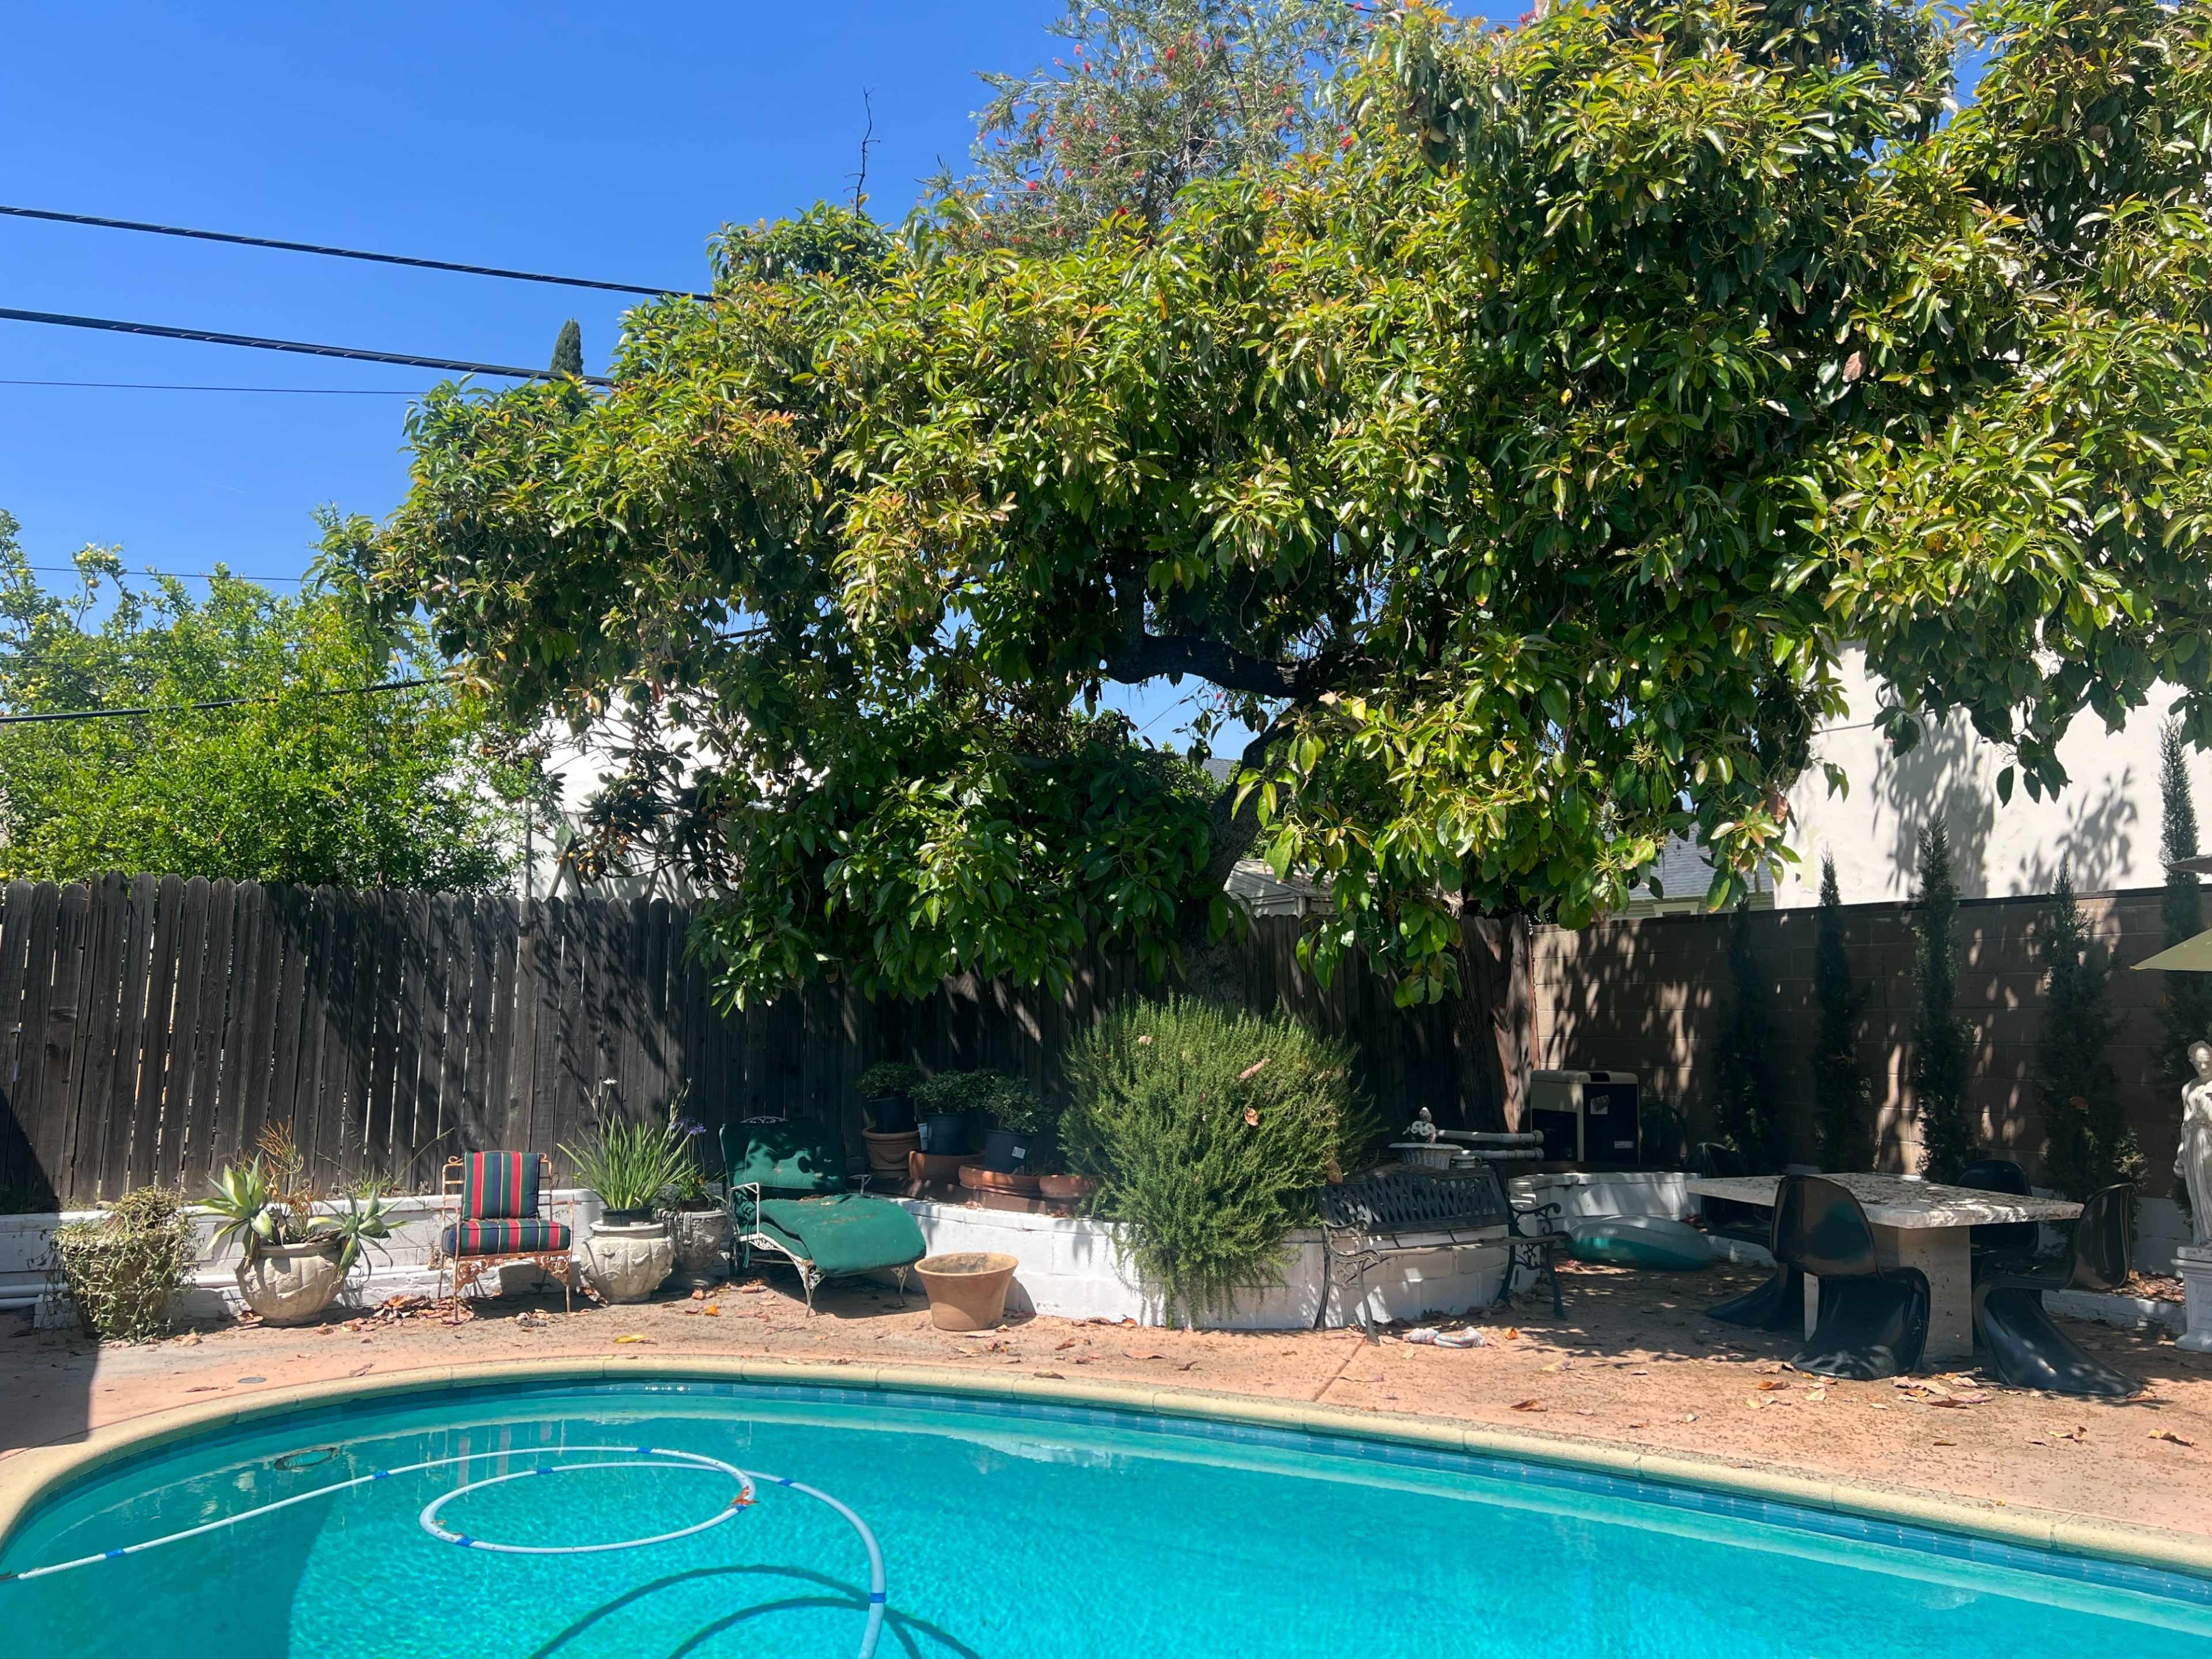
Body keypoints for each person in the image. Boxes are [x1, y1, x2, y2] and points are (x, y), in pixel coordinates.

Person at [2179, 1040, 2212, 1246]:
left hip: (2210, 1142)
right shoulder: (2189, 1088)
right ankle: (2203, 1237)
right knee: (2197, 1193)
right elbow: (2185, 1121)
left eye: (2207, 1062)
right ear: (2191, 1062)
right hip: (2192, 1143)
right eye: (2198, 1063)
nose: (2203, 1067)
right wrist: (2181, 1152)